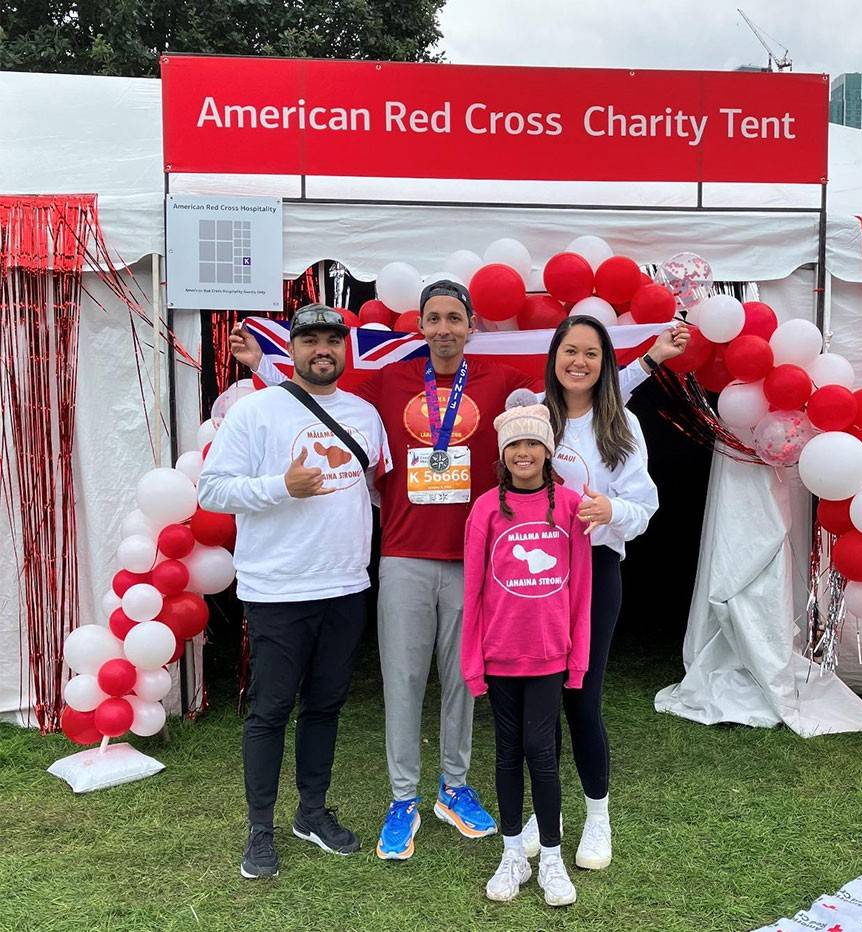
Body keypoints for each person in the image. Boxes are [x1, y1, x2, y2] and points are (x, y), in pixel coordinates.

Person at [229, 280, 686, 862]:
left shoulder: (500, 384)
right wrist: (266, 368)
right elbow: (317, 398)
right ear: (419, 326)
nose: (443, 328)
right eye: (433, 319)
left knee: (467, 681)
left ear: (471, 325)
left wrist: (648, 359)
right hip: (404, 555)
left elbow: (587, 391)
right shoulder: (386, 385)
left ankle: (454, 786)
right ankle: (402, 799)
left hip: (477, 560)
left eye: (454, 318)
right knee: (403, 682)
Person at [200, 304, 391, 879]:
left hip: (346, 583)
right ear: (294, 347)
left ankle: (311, 813)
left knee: (326, 705)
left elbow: (379, 490)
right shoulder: (256, 411)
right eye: (310, 340)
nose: (323, 349)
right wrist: (278, 486)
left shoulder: (364, 414)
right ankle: (261, 829)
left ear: (345, 349)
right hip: (278, 587)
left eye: (334, 339)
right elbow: (212, 490)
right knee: (270, 710)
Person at [513, 314, 665, 873]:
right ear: (554, 356)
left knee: (582, 698)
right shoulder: (532, 417)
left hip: (595, 571)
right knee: (540, 699)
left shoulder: (620, 422)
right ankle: (543, 815)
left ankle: (597, 815)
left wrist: (610, 510)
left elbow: (644, 505)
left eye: (592, 354)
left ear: (605, 365)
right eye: (569, 350)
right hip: (538, 576)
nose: (579, 362)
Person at [462, 403, 591, 906]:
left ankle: (552, 860)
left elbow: (580, 591)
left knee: (542, 751)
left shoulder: (571, 506)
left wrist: (576, 659)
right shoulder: (485, 509)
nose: (524, 452)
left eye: (533, 443)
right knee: (507, 752)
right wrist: (473, 663)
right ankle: (512, 852)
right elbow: (472, 592)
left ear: (548, 450)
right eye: (514, 444)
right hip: (499, 657)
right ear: (503, 453)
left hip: (548, 657)